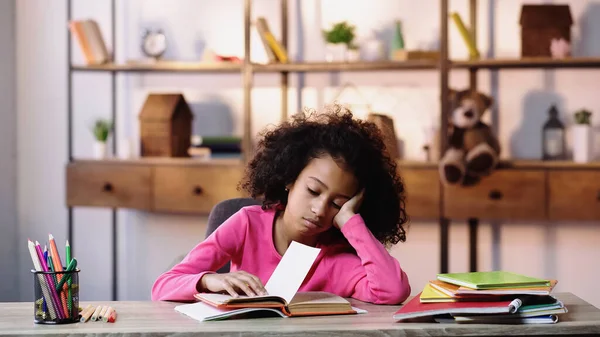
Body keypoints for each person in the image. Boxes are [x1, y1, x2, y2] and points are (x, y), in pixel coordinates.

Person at [151, 104, 411, 305]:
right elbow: (163, 286)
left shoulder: (337, 256)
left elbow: (393, 291)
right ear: (290, 179)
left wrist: (351, 222)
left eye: (337, 204)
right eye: (313, 191)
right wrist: (210, 280)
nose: (320, 210)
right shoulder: (246, 224)